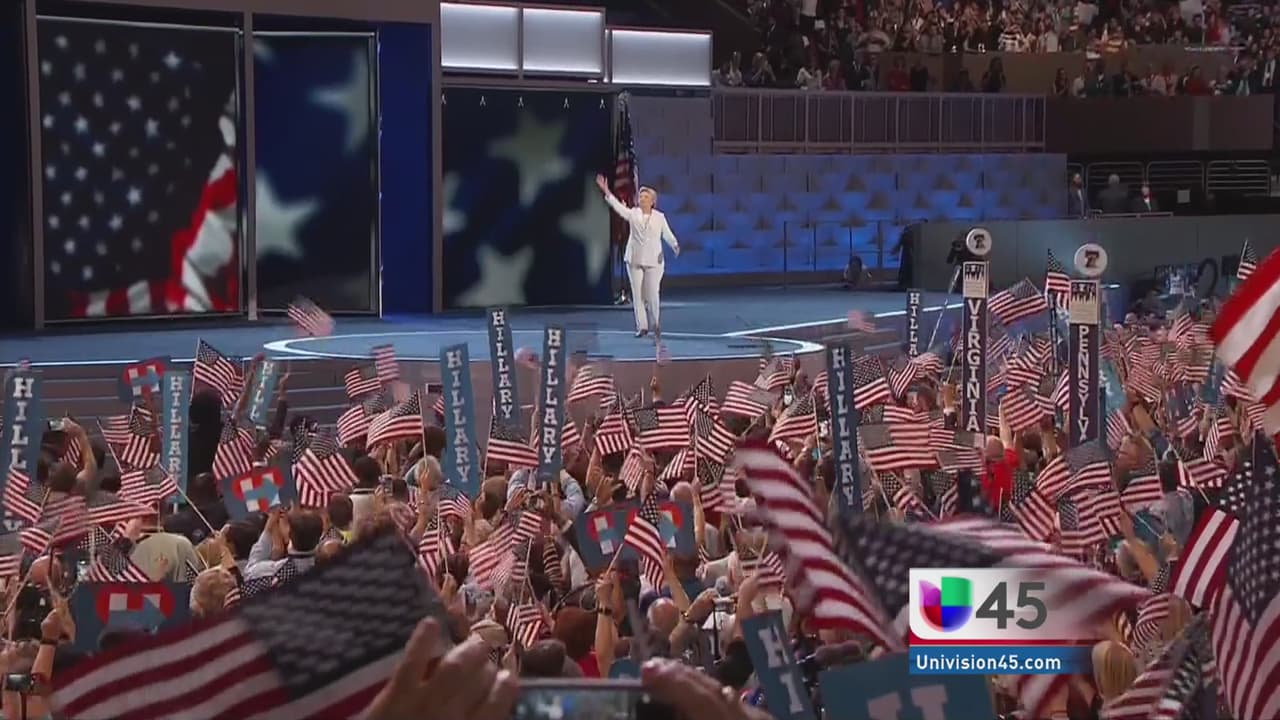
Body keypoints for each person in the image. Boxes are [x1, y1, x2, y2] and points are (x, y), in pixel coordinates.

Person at [595, 174, 680, 338]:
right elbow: (619, 208)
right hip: (634, 258)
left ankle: (655, 324)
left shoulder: (659, 217)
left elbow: (667, 235)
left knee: (652, 293)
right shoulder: (633, 214)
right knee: (638, 295)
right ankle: (642, 327)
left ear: (652, 201)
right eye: (640, 197)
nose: (642, 199)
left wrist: (675, 245)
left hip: (654, 260)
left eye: (646, 197)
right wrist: (606, 191)